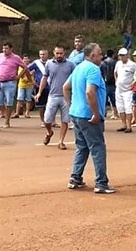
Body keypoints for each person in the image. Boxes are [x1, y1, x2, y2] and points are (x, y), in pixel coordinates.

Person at [64, 43, 116, 194]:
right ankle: (101, 182)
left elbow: (65, 87)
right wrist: (95, 113)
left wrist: (72, 105)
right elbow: (90, 92)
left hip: (77, 113)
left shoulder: (79, 67)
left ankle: (75, 177)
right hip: (88, 115)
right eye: (99, 54)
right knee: (98, 147)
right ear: (92, 56)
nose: (102, 57)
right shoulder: (93, 69)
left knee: (82, 146)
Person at [35, 46, 75, 150]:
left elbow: (75, 79)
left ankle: (61, 141)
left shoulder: (70, 65)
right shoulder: (49, 64)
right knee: (47, 120)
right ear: (54, 53)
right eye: (57, 53)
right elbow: (44, 78)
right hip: (53, 95)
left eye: (61, 53)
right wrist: (39, 92)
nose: (59, 55)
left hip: (66, 97)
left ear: (64, 53)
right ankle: (49, 132)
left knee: (65, 120)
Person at [0, 42, 27, 128]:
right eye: (3, 48)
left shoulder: (16, 58)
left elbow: (25, 67)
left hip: (10, 82)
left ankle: (7, 122)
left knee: (9, 102)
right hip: (0, 82)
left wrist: (18, 76)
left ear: (11, 49)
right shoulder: (0, 56)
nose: (4, 50)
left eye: (6, 48)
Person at [114, 48, 136, 133]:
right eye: (120, 55)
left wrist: (134, 83)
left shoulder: (132, 65)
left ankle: (129, 126)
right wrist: (116, 81)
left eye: (123, 55)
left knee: (128, 108)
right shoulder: (118, 64)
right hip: (119, 89)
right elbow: (115, 73)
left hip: (128, 90)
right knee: (120, 107)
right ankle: (123, 125)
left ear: (127, 55)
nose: (121, 57)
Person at [28, 49, 51, 127]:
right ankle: (43, 121)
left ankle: (52, 121)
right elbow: (26, 69)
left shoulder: (51, 62)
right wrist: (31, 80)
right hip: (39, 86)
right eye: (41, 54)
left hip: (50, 86)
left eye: (44, 54)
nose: (42, 56)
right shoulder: (36, 63)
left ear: (47, 55)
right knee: (41, 105)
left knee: (51, 105)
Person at [14, 54, 35, 118]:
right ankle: (17, 113)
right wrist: (30, 75)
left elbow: (33, 75)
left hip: (29, 85)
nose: (25, 60)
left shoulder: (32, 66)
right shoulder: (20, 67)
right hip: (21, 85)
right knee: (19, 99)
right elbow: (21, 76)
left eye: (27, 59)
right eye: (24, 59)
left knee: (28, 99)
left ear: (29, 59)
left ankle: (27, 112)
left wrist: (31, 80)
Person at [100, 49, 118, 120]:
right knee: (113, 99)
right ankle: (115, 113)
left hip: (105, 83)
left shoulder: (102, 63)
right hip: (113, 83)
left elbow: (100, 73)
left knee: (104, 99)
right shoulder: (115, 63)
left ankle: (103, 113)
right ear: (113, 55)